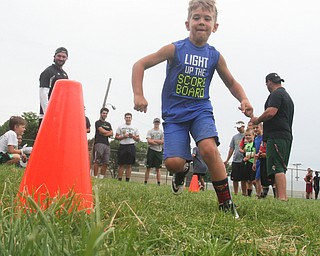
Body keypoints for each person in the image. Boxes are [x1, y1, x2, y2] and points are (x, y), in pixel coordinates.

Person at [132, 0, 253, 217]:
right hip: (175, 115)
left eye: (207, 19)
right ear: (187, 23)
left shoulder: (214, 56)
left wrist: (244, 98)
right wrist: (139, 94)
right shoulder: (175, 49)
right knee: (173, 163)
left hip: (200, 111)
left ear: (215, 26)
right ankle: (183, 170)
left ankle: (225, 203)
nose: (201, 22)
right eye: (196, 17)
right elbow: (139, 65)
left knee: (208, 148)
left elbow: (232, 83)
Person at [251, 72, 294, 201]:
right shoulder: (286, 96)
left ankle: (282, 198)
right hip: (284, 135)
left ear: (268, 82)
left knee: (277, 167)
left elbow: (271, 112)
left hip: (277, 136)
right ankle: (281, 197)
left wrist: (258, 120)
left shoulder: (276, 94)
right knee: (279, 166)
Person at [39, 47, 69, 127]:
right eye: (59, 56)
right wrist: (48, 113)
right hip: (47, 115)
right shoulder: (48, 71)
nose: (61, 58)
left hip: (59, 115)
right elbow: (43, 93)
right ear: (54, 56)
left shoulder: (65, 74)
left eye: (63, 57)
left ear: (66, 58)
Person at [115, 113, 140, 182]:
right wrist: (123, 136)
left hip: (131, 145)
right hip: (122, 145)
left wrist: (132, 136)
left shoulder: (135, 128)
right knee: (121, 164)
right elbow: (116, 137)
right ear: (125, 118)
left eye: (129, 117)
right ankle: (119, 179)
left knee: (129, 164)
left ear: (131, 118)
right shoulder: (120, 127)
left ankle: (127, 180)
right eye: (127, 117)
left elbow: (138, 139)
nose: (128, 119)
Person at [224, 121, 246, 196]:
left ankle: (244, 193)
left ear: (243, 126)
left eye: (239, 127)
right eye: (237, 127)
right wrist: (227, 159)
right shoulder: (235, 137)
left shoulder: (247, 135)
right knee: (235, 178)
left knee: (244, 179)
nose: (238, 129)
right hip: (235, 159)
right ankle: (236, 192)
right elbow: (231, 149)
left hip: (244, 159)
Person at [93, 107, 113, 179]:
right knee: (97, 161)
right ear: (101, 114)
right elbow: (101, 131)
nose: (105, 114)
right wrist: (106, 132)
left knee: (106, 162)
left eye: (106, 113)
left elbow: (111, 133)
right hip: (99, 143)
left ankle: (101, 177)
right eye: (103, 113)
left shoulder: (108, 124)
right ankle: (95, 176)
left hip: (107, 144)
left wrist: (105, 133)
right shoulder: (97, 122)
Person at [144, 118, 164, 185]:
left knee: (158, 168)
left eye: (158, 122)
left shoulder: (161, 132)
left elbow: (163, 141)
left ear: (159, 123)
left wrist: (154, 141)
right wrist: (157, 142)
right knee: (148, 167)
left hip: (158, 151)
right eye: (155, 122)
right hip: (151, 150)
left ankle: (158, 182)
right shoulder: (150, 131)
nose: (156, 124)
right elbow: (149, 141)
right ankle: (145, 182)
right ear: (153, 123)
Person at [242, 128, 256, 197]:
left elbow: (254, 153)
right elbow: (244, 151)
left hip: (252, 163)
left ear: (253, 135)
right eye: (246, 135)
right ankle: (249, 194)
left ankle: (259, 192)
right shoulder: (247, 145)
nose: (248, 137)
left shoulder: (254, 143)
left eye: (249, 135)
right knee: (248, 180)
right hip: (247, 163)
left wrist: (248, 157)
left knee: (254, 180)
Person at [252, 123, 263, 198]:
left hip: (263, 159)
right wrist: (254, 163)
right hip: (257, 160)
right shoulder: (255, 139)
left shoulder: (263, 138)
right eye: (254, 128)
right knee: (257, 178)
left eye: (257, 128)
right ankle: (259, 193)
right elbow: (255, 150)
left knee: (258, 178)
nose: (255, 129)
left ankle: (259, 193)